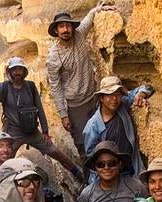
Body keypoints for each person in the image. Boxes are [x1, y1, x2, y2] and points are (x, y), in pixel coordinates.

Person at [0, 57, 83, 183]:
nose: (17, 73)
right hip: (14, 134)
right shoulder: (3, 89)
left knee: (55, 152)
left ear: (24, 72)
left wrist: (45, 131)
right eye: (14, 70)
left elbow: (39, 108)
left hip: (33, 132)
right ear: (9, 72)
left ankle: (78, 173)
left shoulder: (31, 87)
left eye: (20, 70)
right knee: (4, 163)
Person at [46, 2, 115, 164]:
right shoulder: (53, 57)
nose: (65, 30)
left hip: (94, 97)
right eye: (61, 27)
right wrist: (63, 115)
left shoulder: (78, 34)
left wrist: (99, 9)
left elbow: (88, 19)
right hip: (76, 106)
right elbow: (55, 88)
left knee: (103, 136)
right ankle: (89, 180)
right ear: (56, 31)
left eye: (68, 26)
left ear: (72, 27)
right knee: (83, 143)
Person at [83, 75, 154, 179]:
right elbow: (91, 156)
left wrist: (140, 95)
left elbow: (148, 88)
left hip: (131, 170)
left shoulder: (122, 104)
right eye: (109, 95)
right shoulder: (93, 126)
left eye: (118, 94)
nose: (114, 99)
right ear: (101, 98)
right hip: (108, 176)